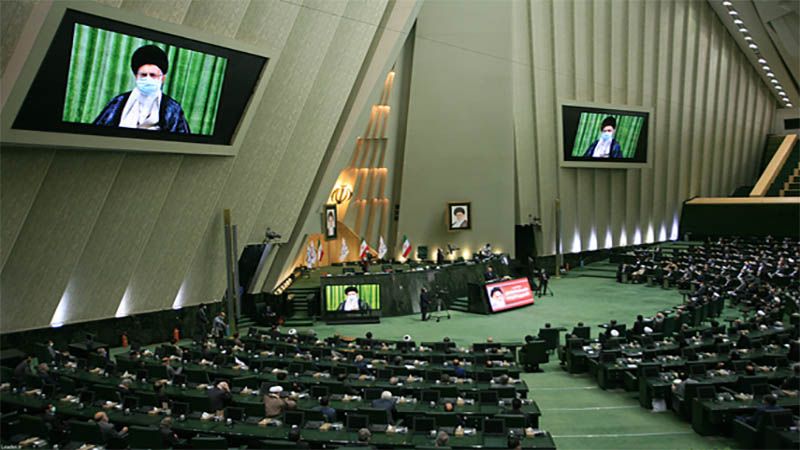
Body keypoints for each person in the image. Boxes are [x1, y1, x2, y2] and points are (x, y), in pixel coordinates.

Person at [93, 45, 190, 133]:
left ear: (162, 78)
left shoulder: (173, 108)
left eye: (153, 75)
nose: (148, 79)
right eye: (143, 75)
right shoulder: (119, 101)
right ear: (136, 77)